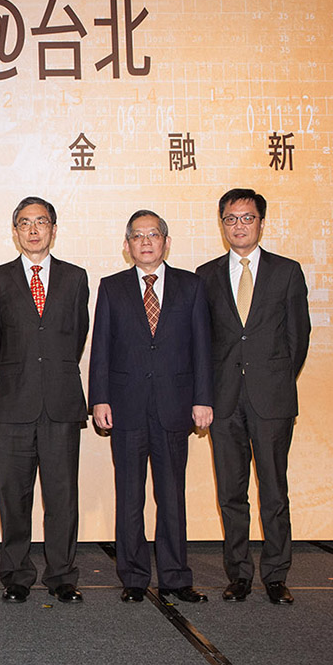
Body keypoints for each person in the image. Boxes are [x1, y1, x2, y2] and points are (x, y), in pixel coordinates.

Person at [89, 210, 213, 603]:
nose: (146, 242)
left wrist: (203, 399)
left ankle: (176, 576)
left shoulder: (191, 286)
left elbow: (202, 347)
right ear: (127, 245)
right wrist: (99, 398)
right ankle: (133, 577)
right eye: (138, 236)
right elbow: (101, 348)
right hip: (125, 407)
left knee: (172, 496)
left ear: (166, 242)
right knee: (129, 496)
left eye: (153, 234)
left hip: (175, 406)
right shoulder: (112, 287)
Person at [196, 189, 310, 605]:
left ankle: (276, 575)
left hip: (272, 400)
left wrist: (274, 380)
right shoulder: (205, 275)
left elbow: (298, 337)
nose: (239, 225)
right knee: (231, 493)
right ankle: (239, 574)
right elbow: (201, 340)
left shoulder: (287, 272)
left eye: (247, 218)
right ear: (221, 224)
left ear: (261, 222)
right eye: (231, 218)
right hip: (224, 400)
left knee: (274, 491)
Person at [0, 196, 90, 604]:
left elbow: (77, 334)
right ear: (15, 232)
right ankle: (16, 574)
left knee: (62, 497)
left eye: (41, 222)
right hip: (13, 403)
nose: (33, 229)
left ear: (53, 230)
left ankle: (62, 575)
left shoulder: (75, 278)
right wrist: (20, 376)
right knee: (14, 496)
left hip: (61, 404)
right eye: (24, 223)